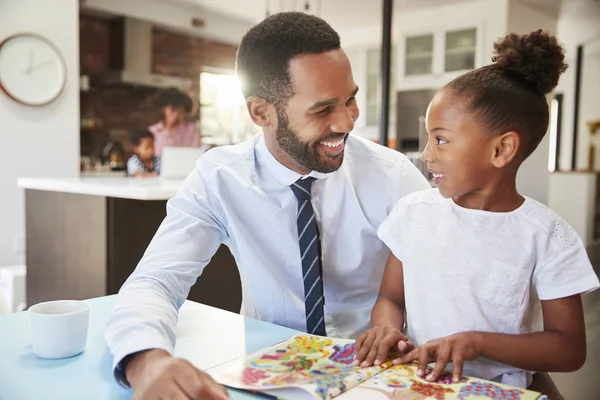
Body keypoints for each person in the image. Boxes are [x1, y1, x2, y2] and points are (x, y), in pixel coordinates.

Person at [105, 11, 431, 400]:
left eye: (351, 100)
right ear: (261, 112)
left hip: (377, 376)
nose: (347, 121)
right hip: (267, 378)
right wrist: (146, 360)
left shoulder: (393, 177)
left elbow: (443, 283)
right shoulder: (220, 178)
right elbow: (155, 282)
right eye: (323, 108)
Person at [353, 30, 600, 396]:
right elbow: (391, 298)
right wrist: (388, 328)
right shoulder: (414, 214)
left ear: (502, 149)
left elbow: (568, 348)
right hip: (423, 385)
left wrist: (477, 342)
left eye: (440, 139)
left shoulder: (548, 237)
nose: (425, 154)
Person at [149, 87, 202, 157]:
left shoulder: (191, 130)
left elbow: (196, 155)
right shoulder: (152, 132)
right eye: (173, 110)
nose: (176, 115)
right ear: (163, 108)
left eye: (180, 112)